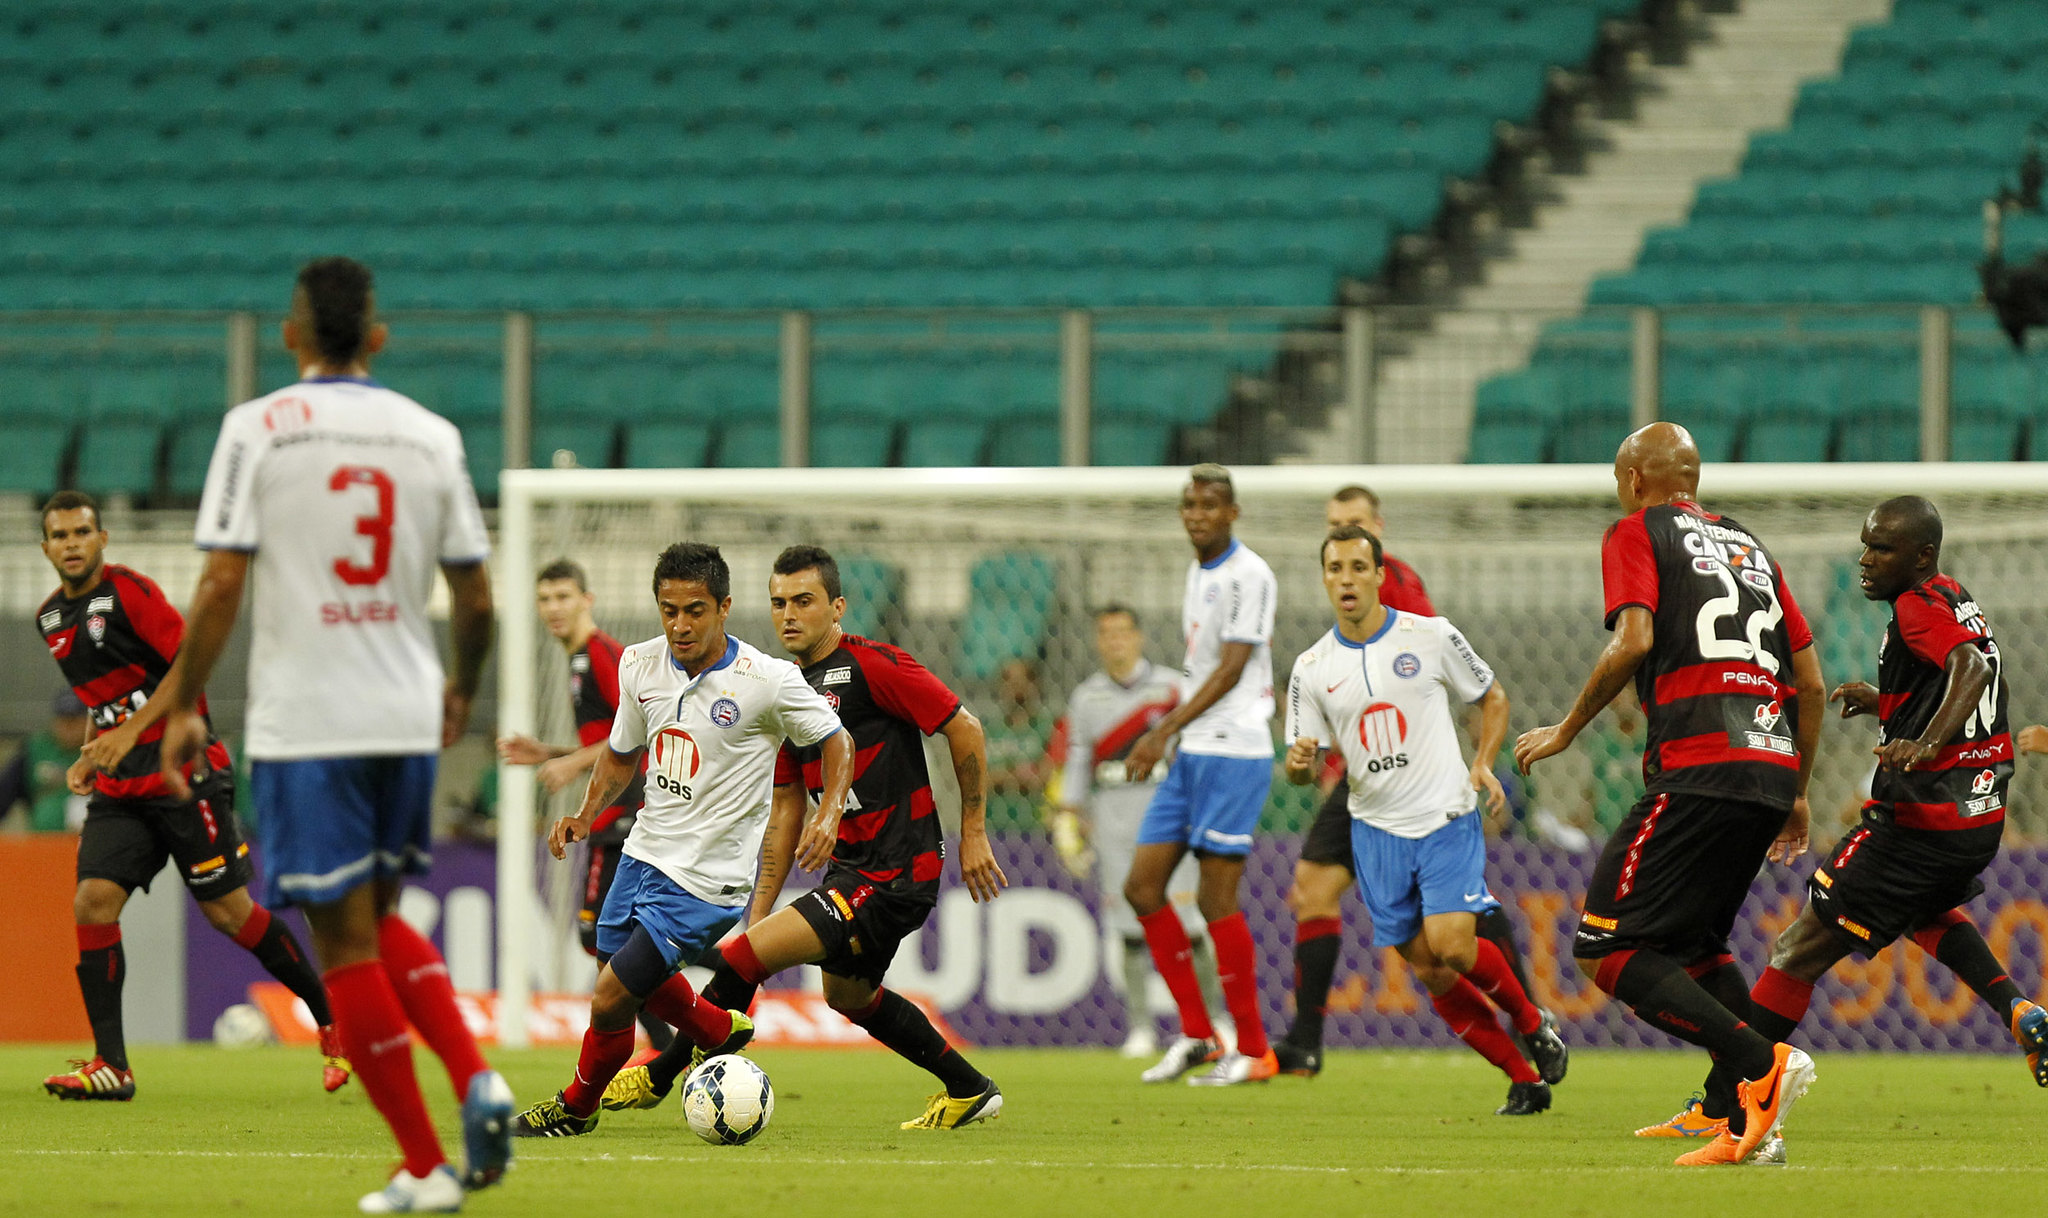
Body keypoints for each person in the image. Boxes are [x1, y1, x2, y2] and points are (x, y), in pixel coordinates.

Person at [80, 258, 513, 1213]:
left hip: (308, 718)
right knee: (383, 917)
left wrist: (185, 702)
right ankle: (479, 1080)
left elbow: (222, 585)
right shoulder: (431, 437)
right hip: (405, 713)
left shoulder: (257, 430)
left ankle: (422, 1165)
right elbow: (477, 594)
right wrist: (460, 691)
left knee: (343, 939)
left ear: (291, 335)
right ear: (379, 336)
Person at [1654, 497, 2045, 1148]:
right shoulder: (1954, 598)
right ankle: (2021, 1010)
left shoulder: (1918, 605)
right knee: (1920, 913)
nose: (1865, 560)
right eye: (1865, 544)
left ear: (1922, 557)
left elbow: (1968, 672)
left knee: (1796, 950)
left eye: (1882, 549)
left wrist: (1922, 744)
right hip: (1977, 817)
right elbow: (1962, 668)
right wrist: (1887, 702)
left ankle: (1733, 1115)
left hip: (1920, 816)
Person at [604, 544, 1010, 1129]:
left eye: (804, 601)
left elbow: (963, 727)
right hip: (853, 871)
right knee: (848, 998)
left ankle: (659, 1077)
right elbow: (787, 803)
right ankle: (971, 1089)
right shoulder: (780, 687)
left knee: (745, 959)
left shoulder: (873, 666)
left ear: (837, 606)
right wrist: (760, 908)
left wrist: (973, 831)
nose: (788, 614)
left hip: (896, 870)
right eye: (778, 603)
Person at [1512, 422, 1821, 1168]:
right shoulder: (1752, 548)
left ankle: (1761, 1064)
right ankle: (1738, 1115)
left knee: (1603, 942)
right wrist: (1799, 790)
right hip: (1771, 761)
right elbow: (1807, 683)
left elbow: (1635, 640)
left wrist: (1565, 729)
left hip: (1700, 761)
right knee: (1695, 945)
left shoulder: (1635, 530)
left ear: (1633, 481)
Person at [510, 542, 854, 1138]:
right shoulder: (640, 663)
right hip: (642, 853)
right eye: (668, 610)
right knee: (612, 968)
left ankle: (575, 1107)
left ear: (724, 608)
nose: (680, 625)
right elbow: (620, 757)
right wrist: (585, 814)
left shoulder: (767, 680)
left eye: (694, 610)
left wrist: (826, 816)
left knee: (611, 997)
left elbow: (837, 740)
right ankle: (718, 1031)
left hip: (706, 879)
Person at [33, 491, 346, 1103]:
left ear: (102, 540)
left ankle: (330, 1017)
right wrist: (92, 752)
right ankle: (112, 1065)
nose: (71, 543)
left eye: (82, 531)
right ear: (45, 547)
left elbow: (187, 666)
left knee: (228, 914)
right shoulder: (51, 619)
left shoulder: (131, 594)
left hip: (184, 773)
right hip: (122, 787)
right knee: (92, 902)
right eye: (60, 535)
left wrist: (126, 732)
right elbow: (109, 696)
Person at [1284, 525, 1569, 1114]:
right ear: (1324, 580)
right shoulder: (1311, 667)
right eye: (1335, 569)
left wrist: (1483, 764)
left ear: (1380, 575)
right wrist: (1299, 764)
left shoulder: (1430, 636)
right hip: (1374, 832)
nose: (1346, 580)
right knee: (1430, 970)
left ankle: (1531, 1018)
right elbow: (1302, 768)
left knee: (1453, 945)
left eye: (1358, 568)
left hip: (1443, 815)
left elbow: (1491, 697)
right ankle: (1522, 1078)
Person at [1123, 463, 1280, 1086]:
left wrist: (1161, 729)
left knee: (1217, 898)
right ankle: (1198, 1036)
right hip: (1193, 751)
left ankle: (1256, 1049)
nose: (1197, 514)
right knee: (1143, 889)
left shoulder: (1251, 574)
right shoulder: (1199, 570)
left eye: (1210, 504)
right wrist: (1174, 734)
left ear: (1232, 512)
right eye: (1189, 504)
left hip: (1233, 751)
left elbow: (1232, 670)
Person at [495, 558, 672, 1053]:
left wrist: (573, 766)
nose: (554, 608)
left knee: (599, 937)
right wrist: (553, 753)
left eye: (564, 597)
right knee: (616, 940)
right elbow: (606, 739)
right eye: (545, 599)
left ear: (587, 600)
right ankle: (667, 1043)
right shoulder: (579, 659)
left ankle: (725, 976)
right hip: (613, 816)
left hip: (625, 814)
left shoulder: (601, 653)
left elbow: (636, 734)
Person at [1053, 605, 1222, 1059]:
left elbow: (1199, 747)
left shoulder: (1171, 688)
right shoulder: (1087, 698)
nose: (1115, 642)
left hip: (1168, 814)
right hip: (1113, 821)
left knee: (1189, 926)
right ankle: (1141, 1028)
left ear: (1139, 637)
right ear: (1098, 641)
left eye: (1123, 632)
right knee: (1129, 929)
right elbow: (1077, 759)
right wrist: (1070, 817)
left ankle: (1217, 1020)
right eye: (1105, 634)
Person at [0, 690, 90, 831]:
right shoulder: (37, 749)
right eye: (63, 720)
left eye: (75, 720)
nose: (68, 727)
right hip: (43, 843)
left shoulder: (100, 750)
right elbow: (5, 792)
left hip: (87, 840)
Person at [985, 657, 1056, 832]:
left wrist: (1001, 775)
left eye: (1023, 679)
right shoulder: (990, 729)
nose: (1017, 686)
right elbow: (979, 780)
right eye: (1009, 680)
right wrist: (1019, 773)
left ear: (1035, 684)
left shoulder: (1047, 727)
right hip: (993, 827)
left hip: (1035, 827)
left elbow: (1046, 777)